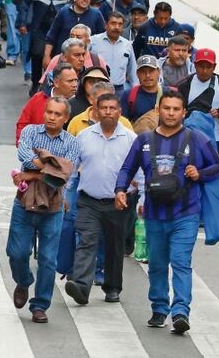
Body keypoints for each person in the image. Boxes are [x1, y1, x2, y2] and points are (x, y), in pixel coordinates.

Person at [115, 91, 219, 334]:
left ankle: (180, 311)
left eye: (176, 109)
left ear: (183, 112)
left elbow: (218, 165)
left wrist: (200, 173)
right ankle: (159, 307)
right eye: (167, 108)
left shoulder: (196, 139)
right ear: (159, 110)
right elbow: (127, 168)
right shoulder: (143, 140)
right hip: (154, 214)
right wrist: (120, 190)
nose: (171, 113)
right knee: (156, 264)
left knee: (181, 262)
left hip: (186, 213)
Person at [8, 96, 80, 323]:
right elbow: (25, 156)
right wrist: (48, 166)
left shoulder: (71, 142)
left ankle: (40, 305)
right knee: (17, 252)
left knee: (48, 260)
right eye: (49, 112)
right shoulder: (30, 131)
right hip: (25, 202)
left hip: (54, 206)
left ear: (66, 118)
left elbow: (64, 173)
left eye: (58, 114)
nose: (52, 117)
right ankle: (23, 280)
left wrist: (33, 173)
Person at [64, 93, 138, 306]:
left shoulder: (130, 139)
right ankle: (80, 285)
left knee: (115, 245)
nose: (108, 112)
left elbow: (139, 171)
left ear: (119, 112)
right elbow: (72, 170)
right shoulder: (84, 136)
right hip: (89, 200)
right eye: (103, 108)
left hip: (118, 202)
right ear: (96, 111)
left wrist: (139, 198)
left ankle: (112, 287)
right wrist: (65, 194)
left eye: (112, 108)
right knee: (86, 241)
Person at [176, 48, 219, 149]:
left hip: (214, 138)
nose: (204, 71)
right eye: (201, 66)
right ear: (195, 65)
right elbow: (175, 107)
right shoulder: (184, 85)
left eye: (208, 67)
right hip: (187, 136)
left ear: (214, 67)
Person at [91, 11, 138, 93]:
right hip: (98, 89)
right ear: (106, 25)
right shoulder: (93, 41)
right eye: (113, 23)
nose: (117, 27)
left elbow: (132, 71)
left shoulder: (127, 45)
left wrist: (135, 91)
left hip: (119, 90)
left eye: (120, 24)